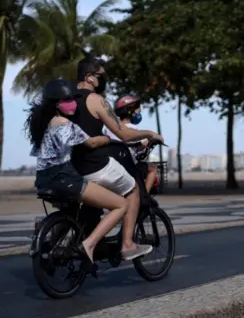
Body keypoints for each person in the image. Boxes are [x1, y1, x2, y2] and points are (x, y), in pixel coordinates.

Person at [26, 79, 128, 275]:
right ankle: (89, 245)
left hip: (43, 179)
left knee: (76, 211)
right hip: (64, 177)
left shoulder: (44, 126)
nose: (72, 102)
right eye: (67, 99)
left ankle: (49, 248)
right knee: (120, 204)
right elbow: (90, 143)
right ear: (56, 103)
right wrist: (108, 138)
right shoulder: (64, 123)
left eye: (73, 98)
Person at [71, 56, 162, 261]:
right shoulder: (95, 100)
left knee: (92, 206)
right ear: (89, 77)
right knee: (132, 191)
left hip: (71, 167)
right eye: (101, 76)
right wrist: (149, 134)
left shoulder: (65, 101)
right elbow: (123, 134)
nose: (104, 80)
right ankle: (127, 245)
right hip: (95, 165)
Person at [104, 94, 158, 194]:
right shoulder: (133, 130)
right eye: (138, 109)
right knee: (153, 168)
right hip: (129, 165)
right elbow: (139, 148)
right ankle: (144, 194)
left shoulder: (109, 128)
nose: (140, 111)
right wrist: (147, 142)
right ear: (130, 111)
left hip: (111, 165)